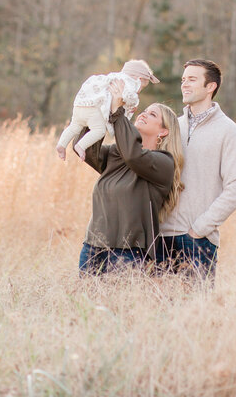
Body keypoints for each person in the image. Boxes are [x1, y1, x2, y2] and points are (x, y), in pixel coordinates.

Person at [77, 80, 184, 274]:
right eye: (144, 111)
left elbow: (135, 156)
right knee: (87, 304)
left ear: (163, 131)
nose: (143, 113)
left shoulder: (164, 163)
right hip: (93, 246)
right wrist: (95, 108)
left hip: (128, 252)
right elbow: (85, 148)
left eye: (152, 115)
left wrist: (118, 113)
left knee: (121, 304)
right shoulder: (118, 154)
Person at [156, 58, 236, 280]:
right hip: (161, 237)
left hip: (197, 240)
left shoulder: (227, 130)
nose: (184, 84)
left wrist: (200, 228)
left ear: (210, 87)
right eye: (183, 79)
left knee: (195, 310)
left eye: (192, 80)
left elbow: (235, 187)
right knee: (158, 310)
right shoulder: (173, 126)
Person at [56, 58, 160, 161]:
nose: (138, 91)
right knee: (99, 130)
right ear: (139, 79)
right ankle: (81, 146)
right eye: (141, 88)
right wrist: (133, 103)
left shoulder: (113, 76)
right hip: (94, 110)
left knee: (74, 126)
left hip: (81, 104)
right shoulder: (129, 82)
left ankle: (61, 145)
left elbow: (114, 99)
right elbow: (128, 96)